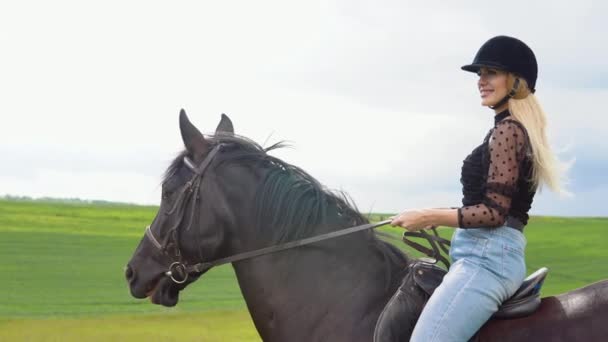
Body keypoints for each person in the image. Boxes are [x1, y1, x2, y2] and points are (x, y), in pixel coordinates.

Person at [374, 36, 564, 341]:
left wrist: (428, 216)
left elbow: (494, 213)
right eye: (479, 74)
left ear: (515, 82)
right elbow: (487, 203)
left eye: (491, 73)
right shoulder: (505, 130)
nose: (481, 81)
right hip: (481, 254)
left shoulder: (507, 131)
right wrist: (428, 213)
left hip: (488, 259)